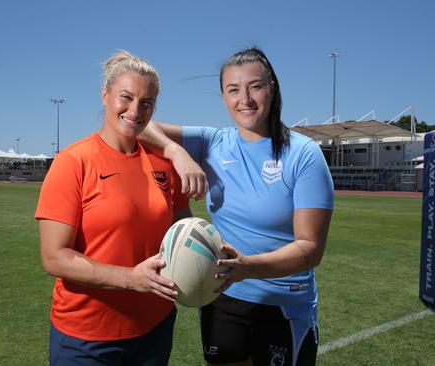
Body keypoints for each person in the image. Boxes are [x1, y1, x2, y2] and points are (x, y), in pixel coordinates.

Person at [140, 47, 334, 365]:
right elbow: (143, 125)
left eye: (255, 86)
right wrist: (177, 153)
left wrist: (247, 269)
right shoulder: (214, 142)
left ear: (272, 87)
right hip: (222, 298)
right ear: (223, 96)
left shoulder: (304, 155)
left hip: (282, 307)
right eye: (233, 89)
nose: (244, 99)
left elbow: (311, 249)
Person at [35, 50, 191, 366]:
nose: (135, 110)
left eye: (146, 102)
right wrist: (130, 278)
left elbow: (184, 231)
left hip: (155, 327)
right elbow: (54, 257)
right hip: (88, 338)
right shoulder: (73, 162)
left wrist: (210, 250)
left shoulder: (164, 165)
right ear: (105, 95)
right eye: (126, 97)